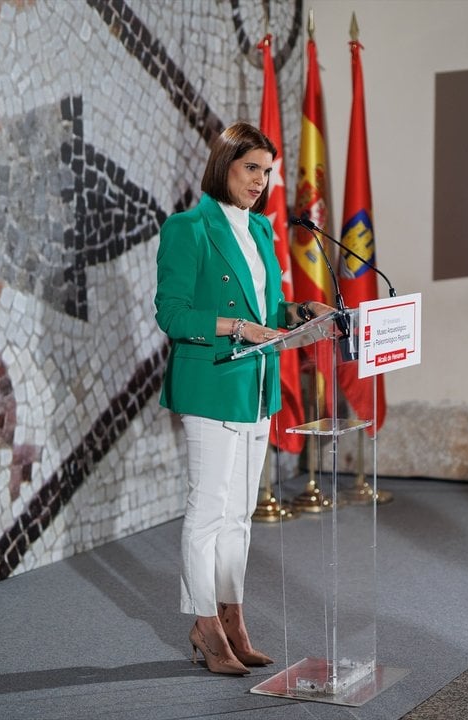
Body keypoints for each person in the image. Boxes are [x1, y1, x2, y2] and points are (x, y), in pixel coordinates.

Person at [154, 122, 332, 675]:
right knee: (207, 511)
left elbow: (269, 312)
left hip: (256, 388)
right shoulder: (188, 228)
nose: (261, 180)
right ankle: (205, 626)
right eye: (251, 167)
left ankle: (232, 617)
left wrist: (299, 314)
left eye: (267, 171)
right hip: (211, 385)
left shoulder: (259, 231)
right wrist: (237, 327)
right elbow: (172, 313)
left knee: (240, 513)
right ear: (224, 164)